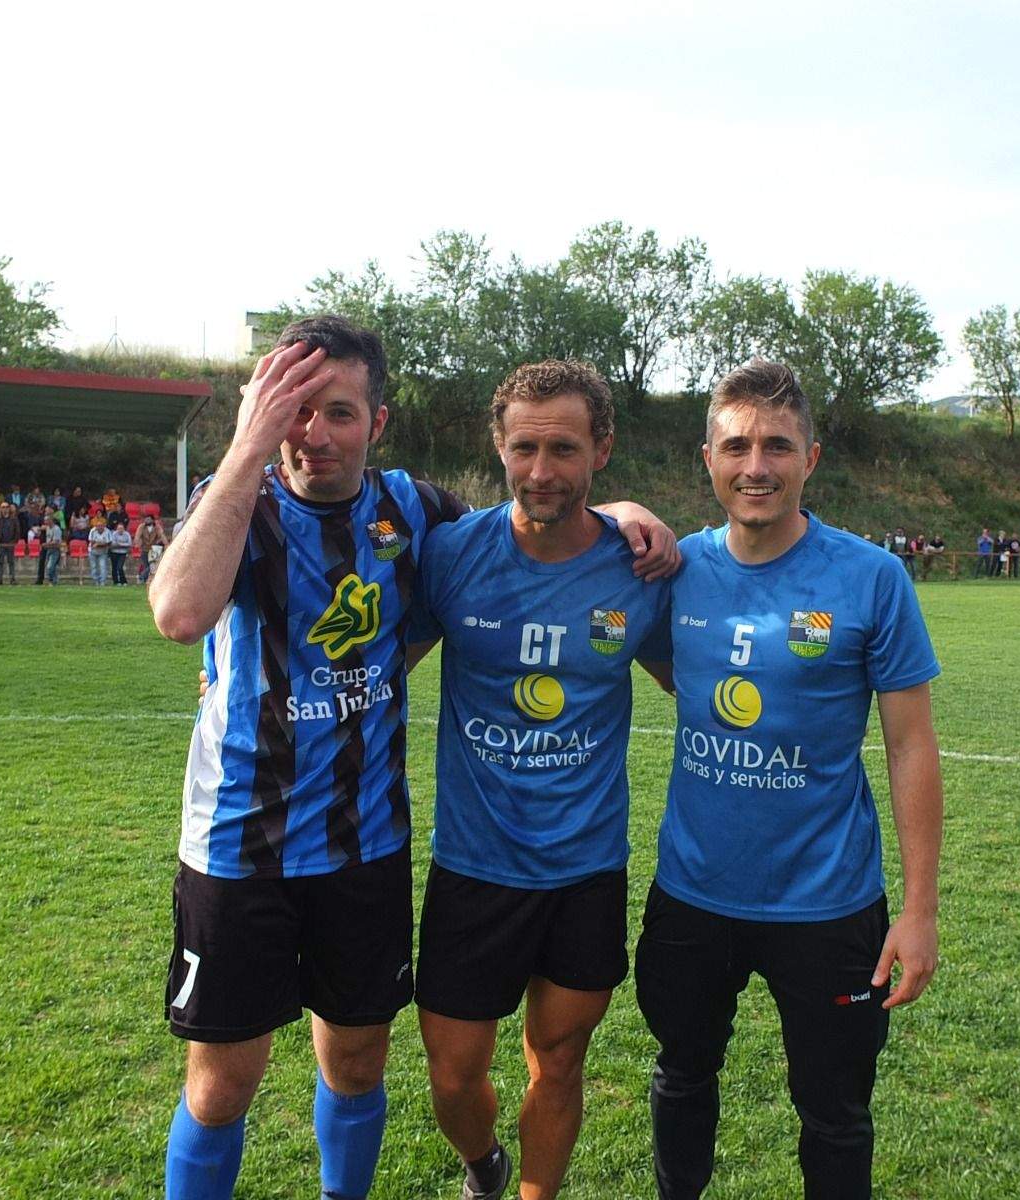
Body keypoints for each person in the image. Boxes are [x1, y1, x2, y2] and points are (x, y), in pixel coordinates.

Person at [149, 316, 675, 1200]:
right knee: (222, 1084)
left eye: (339, 411)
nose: (315, 434)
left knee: (357, 1063)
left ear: (377, 421)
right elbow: (177, 613)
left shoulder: (415, 513)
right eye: (294, 409)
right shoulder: (236, 496)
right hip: (241, 842)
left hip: (365, 844)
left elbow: (534, 521)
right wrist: (246, 448)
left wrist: (622, 512)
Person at [637, 360, 942, 1200]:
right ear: (708, 458)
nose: (756, 466)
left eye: (777, 445)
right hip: (693, 893)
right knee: (682, 1075)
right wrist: (625, 510)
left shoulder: (872, 578)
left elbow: (912, 746)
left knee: (836, 1113)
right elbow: (666, 665)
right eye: (736, 446)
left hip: (830, 903)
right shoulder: (676, 571)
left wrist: (919, 911)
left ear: (811, 458)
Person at [410, 361, 673, 1200]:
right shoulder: (451, 556)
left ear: (602, 449)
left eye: (564, 449)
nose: (541, 471)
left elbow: (693, 681)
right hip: (473, 866)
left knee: (559, 1061)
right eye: (524, 448)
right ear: (499, 445)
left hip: (584, 870)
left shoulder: (640, 572)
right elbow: (373, 665)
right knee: (453, 1075)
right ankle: (484, 1163)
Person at [0, 502, 21, 585]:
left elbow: (17, 531)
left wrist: (14, 541)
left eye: (6, 507)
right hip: (0, 543)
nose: (5, 509)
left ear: (9, 508)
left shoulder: (14, 518)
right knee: (0, 562)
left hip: (10, 543)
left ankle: (12, 579)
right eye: (3, 507)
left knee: (11, 562)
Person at [137, 514, 167, 584]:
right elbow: (137, 536)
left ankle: (141, 576)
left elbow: (162, 535)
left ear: (153, 520)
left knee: (152, 565)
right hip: (144, 548)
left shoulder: (157, 527)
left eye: (148, 519)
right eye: (146, 519)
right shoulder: (141, 527)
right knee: (146, 565)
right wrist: (137, 543)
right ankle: (145, 580)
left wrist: (166, 544)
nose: (147, 521)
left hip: (154, 549)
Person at [39, 514, 63, 585]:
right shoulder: (48, 528)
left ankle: (51, 580)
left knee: (50, 566)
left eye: (46, 520)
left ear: (51, 520)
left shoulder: (56, 529)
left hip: (55, 550)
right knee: (52, 567)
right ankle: (54, 582)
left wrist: (46, 544)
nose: (45, 522)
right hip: (49, 549)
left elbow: (56, 541)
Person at [87, 518, 111, 587]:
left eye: (101, 526)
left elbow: (108, 543)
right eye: (98, 526)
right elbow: (92, 542)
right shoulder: (92, 531)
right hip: (93, 552)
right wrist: (101, 543)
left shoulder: (107, 531)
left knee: (103, 567)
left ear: (104, 526)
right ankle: (96, 581)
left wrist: (98, 544)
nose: (99, 527)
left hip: (103, 552)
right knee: (93, 567)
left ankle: (102, 582)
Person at [108, 520, 132, 586]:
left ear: (124, 529)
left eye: (121, 528)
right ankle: (116, 582)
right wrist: (123, 544)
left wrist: (119, 544)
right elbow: (113, 544)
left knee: (120, 567)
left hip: (123, 553)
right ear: (117, 529)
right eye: (119, 528)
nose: (120, 530)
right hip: (114, 552)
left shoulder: (127, 534)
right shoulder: (114, 534)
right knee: (114, 567)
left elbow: (129, 544)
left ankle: (123, 581)